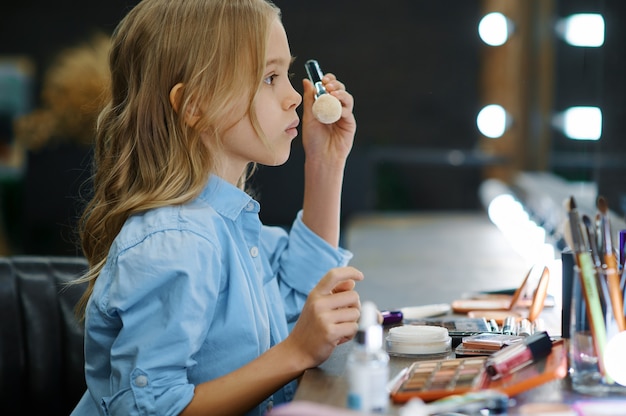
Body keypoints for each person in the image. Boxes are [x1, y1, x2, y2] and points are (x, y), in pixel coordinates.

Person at [70, 0, 362, 415]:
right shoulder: (177, 241)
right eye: (269, 77)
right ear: (195, 105)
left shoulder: (227, 221)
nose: (295, 96)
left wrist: (326, 161)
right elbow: (151, 410)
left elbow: (296, 300)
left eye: (288, 74)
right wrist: (296, 353)